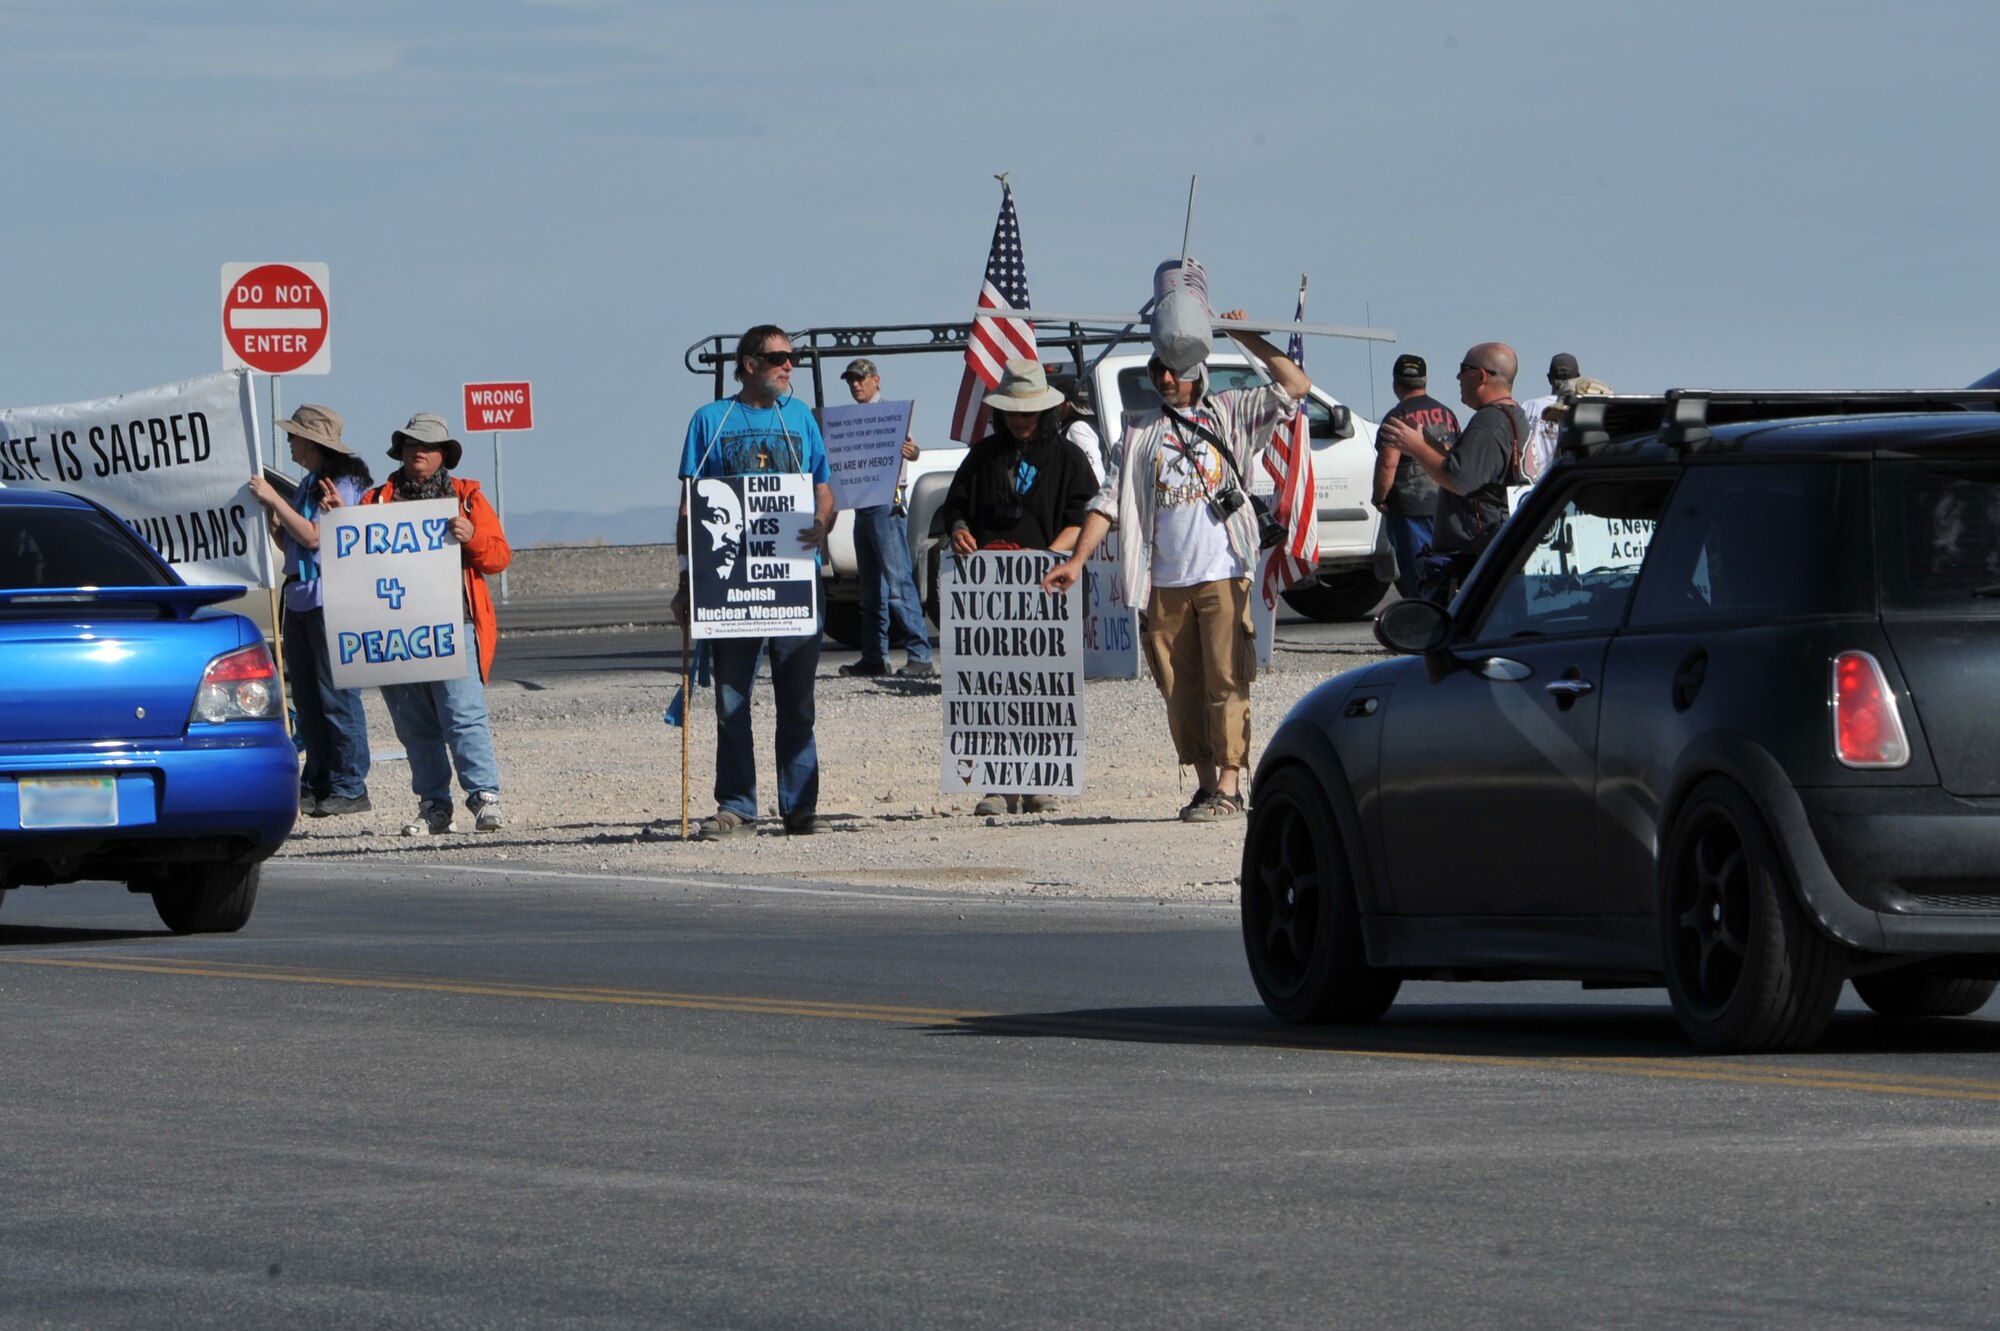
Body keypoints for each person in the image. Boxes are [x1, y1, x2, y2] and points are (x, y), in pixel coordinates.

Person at [1042, 309, 1310, 824]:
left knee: (1227, 679)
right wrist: (1076, 560)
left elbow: (1295, 385)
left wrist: (1241, 333)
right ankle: (1205, 786)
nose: (1167, 378)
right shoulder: (1138, 431)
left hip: (1223, 571)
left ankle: (1230, 786)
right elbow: (1107, 501)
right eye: (1159, 369)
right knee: (1178, 688)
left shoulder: (1230, 414)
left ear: (1198, 371)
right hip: (1162, 581)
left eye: (1177, 368)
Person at [672, 324, 837, 841]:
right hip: (730, 585)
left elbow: (824, 488)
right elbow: (689, 506)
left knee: (798, 702)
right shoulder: (710, 420)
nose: (789, 366)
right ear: (748, 364)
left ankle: (800, 808)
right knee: (730, 699)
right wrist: (685, 581)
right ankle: (737, 805)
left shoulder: (801, 419)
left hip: (793, 581)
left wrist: (824, 522)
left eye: (792, 358)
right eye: (778, 358)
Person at [937, 359, 1100, 817]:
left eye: (1028, 413)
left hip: (1050, 588)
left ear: (1045, 412)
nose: (1021, 422)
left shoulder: (1068, 458)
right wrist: (960, 530)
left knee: (1043, 686)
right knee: (992, 688)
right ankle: (996, 783)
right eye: (1013, 413)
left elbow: (1083, 516)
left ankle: (1039, 781)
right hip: (989, 595)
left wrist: (1046, 558)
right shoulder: (982, 456)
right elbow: (954, 508)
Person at [355, 413, 512, 835]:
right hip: (393, 630)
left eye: (425, 445)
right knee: (415, 725)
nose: (416, 451)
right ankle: (434, 807)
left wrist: (471, 537)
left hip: (452, 623)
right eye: (409, 445)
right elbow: (351, 558)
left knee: (463, 714)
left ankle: (485, 798)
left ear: (443, 455)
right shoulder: (375, 502)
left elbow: (498, 557)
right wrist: (339, 522)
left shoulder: (467, 499)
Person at [248, 403, 374, 818]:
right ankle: (319, 780)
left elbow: (318, 538)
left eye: (293, 436)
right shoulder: (309, 483)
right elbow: (296, 544)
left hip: (328, 599)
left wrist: (274, 500)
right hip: (301, 597)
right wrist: (276, 523)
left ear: (311, 441)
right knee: (306, 696)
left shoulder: (343, 484)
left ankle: (349, 783)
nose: (289, 442)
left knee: (335, 695)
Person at [1377, 343, 1530, 601]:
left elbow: (1458, 479)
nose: (1458, 377)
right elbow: (1467, 466)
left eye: (1463, 370)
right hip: (1490, 544)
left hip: (1473, 552)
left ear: (1481, 376)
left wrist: (1414, 446)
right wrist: (1427, 442)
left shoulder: (1488, 422)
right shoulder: (1513, 415)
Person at [835, 357, 934, 680]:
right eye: (851, 380)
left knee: (898, 583)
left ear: (876, 380)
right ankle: (874, 656)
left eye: (861, 379)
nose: (855, 384)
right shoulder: (848, 421)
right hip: (862, 505)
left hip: (886, 503)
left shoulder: (891, 415)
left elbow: (913, 449)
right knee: (871, 591)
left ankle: (920, 655)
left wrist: (913, 452)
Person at [1370, 356, 1458, 600]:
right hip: (1446, 506)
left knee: (1419, 580)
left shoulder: (1397, 418)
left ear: (1396, 383)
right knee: (1447, 575)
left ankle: (1424, 631)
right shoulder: (1447, 413)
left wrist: (1379, 498)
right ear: (1425, 380)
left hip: (1411, 510)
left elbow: (1388, 463)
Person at [1048, 371, 1106, 482]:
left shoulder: (1077, 429)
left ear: (1066, 405)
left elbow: (1094, 470)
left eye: (1057, 402)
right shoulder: (1086, 424)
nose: (1054, 406)